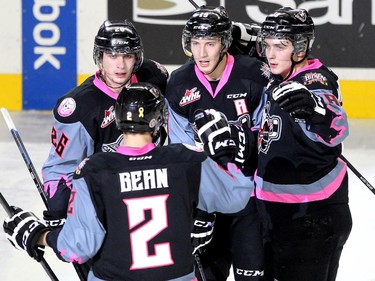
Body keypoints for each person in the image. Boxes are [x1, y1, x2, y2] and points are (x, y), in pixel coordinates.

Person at [3, 82, 255, 281]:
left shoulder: (93, 171)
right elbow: (238, 196)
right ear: (158, 121)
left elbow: (77, 247)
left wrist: (38, 235)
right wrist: (224, 155)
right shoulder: (187, 161)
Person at [40, 19, 168, 279]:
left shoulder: (154, 78)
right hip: (106, 209)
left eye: (127, 55)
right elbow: (60, 169)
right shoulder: (80, 107)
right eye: (112, 55)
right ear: (100, 57)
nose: (120, 65)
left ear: (137, 58)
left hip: (153, 199)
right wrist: (59, 210)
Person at [165, 5, 270, 281]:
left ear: (224, 43)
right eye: (195, 43)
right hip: (207, 206)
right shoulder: (178, 84)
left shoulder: (255, 77)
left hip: (250, 204)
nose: (201, 53)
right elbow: (182, 152)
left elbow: (268, 141)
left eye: (209, 43)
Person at [254, 7, 352, 281]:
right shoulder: (279, 71)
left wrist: (315, 110)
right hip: (273, 213)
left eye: (280, 46)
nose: (271, 54)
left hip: (311, 219)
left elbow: (337, 127)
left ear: (299, 48)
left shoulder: (315, 81)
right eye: (268, 45)